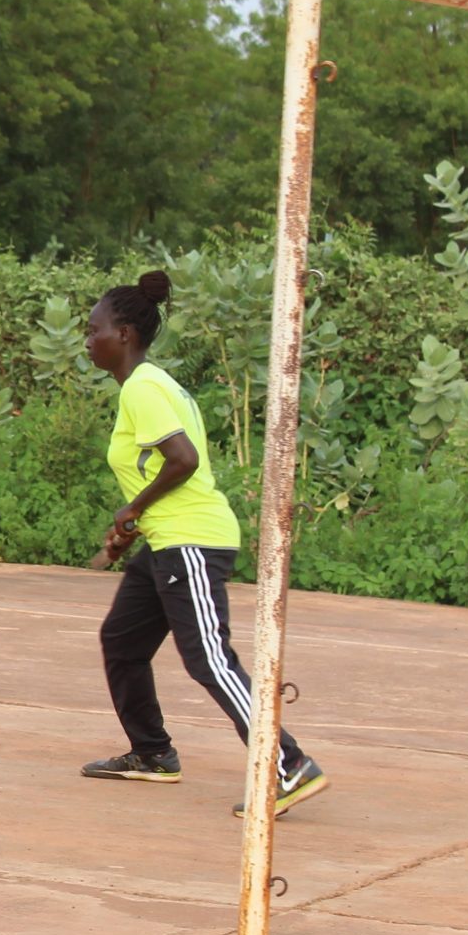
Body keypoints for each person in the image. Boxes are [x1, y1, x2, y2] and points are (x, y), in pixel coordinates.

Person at [79, 270, 328, 817]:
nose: (86, 338)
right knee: (122, 641)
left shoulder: (144, 386)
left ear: (123, 334)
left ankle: (287, 765)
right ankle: (152, 753)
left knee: (210, 660)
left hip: (190, 540)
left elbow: (184, 462)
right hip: (167, 540)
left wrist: (133, 508)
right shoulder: (149, 386)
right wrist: (132, 528)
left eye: (93, 328)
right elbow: (164, 466)